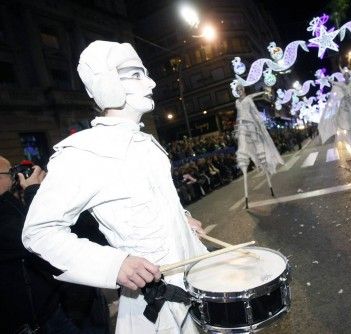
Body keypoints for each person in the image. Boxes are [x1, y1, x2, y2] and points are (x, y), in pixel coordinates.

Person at [22, 41, 207, 333]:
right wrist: (114, 265)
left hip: (196, 286)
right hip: (156, 311)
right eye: (135, 74)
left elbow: (149, 204)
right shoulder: (82, 153)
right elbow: (39, 232)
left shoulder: (148, 144)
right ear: (105, 83)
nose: (151, 82)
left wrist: (182, 221)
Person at [0, 156, 80, 333]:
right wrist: (33, 191)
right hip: (32, 321)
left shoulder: (7, 203)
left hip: (44, 310)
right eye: (11, 173)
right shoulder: (5, 212)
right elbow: (37, 239)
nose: (15, 177)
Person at [234, 84, 284, 208]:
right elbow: (238, 115)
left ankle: (264, 166)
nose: (239, 91)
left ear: (243, 89)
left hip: (251, 126)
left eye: (240, 89)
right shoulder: (236, 102)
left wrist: (260, 127)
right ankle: (245, 168)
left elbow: (255, 113)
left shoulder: (249, 99)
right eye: (237, 90)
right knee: (242, 151)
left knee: (259, 149)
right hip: (241, 127)